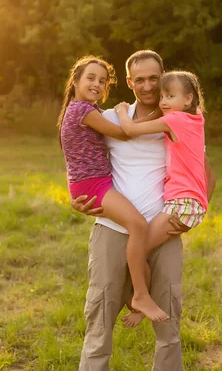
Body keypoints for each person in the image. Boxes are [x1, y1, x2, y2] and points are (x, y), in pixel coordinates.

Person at [71, 50, 216, 371]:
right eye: (140, 80)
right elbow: (81, 162)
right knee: (100, 319)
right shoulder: (109, 118)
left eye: (154, 78)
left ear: (163, 76)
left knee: (168, 324)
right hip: (112, 229)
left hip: (162, 231)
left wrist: (191, 217)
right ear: (129, 82)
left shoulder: (180, 120)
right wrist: (77, 199)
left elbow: (206, 175)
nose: (149, 86)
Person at [58, 55, 169, 323]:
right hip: (94, 185)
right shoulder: (83, 111)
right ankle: (140, 295)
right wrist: (155, 115)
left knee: (137, 235)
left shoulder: (82, 111)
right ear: (75, 81)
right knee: (139, 226)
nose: (97, 84)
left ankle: (135, 298)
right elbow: (124, 133)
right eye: (90, 78)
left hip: (96, 182)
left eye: (102, 81)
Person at [114, 70, 209, 327]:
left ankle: (141, 301)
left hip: (182, 202)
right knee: (139, 253)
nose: (164, 102)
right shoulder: (195, 119)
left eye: (170, 96)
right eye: (163, 96)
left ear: (188, 99)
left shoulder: (176, 120)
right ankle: (141, 301)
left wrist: (122, 111)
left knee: (136, 252)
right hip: (188, 201)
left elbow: (131, 129)